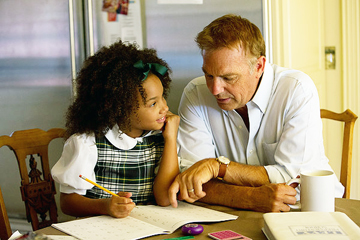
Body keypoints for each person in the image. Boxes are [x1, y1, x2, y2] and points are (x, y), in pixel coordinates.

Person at [169, 14, 344, 212]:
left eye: (228, 77)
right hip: (234, 211)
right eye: (209, 75)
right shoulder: (195, 94)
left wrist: (217, 168)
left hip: (310, 209)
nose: (215, 89)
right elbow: (192, 182)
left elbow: (292, 178)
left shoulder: (296, 89)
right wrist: (251, 198)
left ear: (259, 66)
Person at [51, 40, 180, 218]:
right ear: (120, 108)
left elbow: (165, 199)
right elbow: (68, 203)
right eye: (153, 103)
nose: (165, 108)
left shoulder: (161, 137)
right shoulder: (88, 143)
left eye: (163, 98)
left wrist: (171, 139)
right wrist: (105, 206)